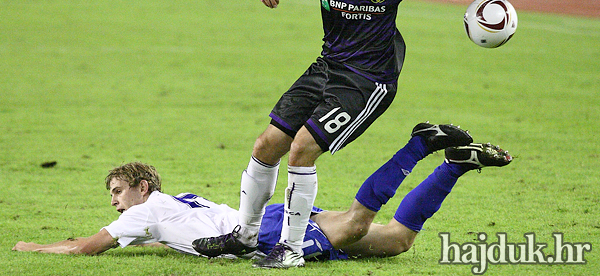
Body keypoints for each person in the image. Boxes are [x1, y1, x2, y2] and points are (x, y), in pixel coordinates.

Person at [192, 0, 548, 269]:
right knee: (267, 144)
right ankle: (245, 236)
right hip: (328, 65)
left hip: (369, 80)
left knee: (302, 148)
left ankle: (291, 249)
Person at [12, 125, 513, 260]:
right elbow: (170, 240)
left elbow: (86, 247)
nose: (115, 204)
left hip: (267, 234)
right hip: (265, 222)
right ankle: (455, 165)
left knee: (360, 222)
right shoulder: (170, 208)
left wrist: (35, 247)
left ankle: (419, 143)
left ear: (143, 188)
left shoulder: (144, 212)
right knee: (398, 239)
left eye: (118, 193)